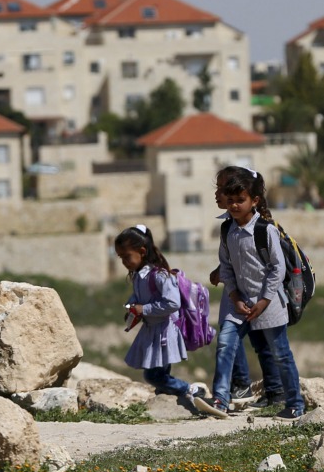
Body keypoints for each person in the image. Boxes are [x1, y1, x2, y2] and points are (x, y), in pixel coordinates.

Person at [196, 167, 305, 420]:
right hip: (239, 304)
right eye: (230, 200)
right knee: (225, 344)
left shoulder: (265, 231)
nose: (233, 205)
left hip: (269, 305)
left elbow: (277, 269)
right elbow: (226, 265)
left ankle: (294, 403)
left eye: (240, 200)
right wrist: (234, 296)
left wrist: (264, 301)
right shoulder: (227, 230)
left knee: (281, 354)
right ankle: (221, 400)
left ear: (254, 201)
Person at [208, 167, 282, 407]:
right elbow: (232, 255)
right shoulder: (228, 224)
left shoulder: (261, 227)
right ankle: (235, 388)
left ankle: (267, 390)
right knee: (231, 339)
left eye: (222, 188)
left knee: (264, 343)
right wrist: (224, 272)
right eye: (219, 189)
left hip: (260, 294)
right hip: (237, 292)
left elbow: (267, 262)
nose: (218, 194)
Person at [114, 224, 203, 400]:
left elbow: (172, 303)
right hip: (152, 330)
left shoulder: (160, 275)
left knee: (152, 376)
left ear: (142, 251)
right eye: (120, 258)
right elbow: (138, 296)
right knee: (159, 372)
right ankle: (168, 394)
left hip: (164, 330)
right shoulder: (139, 275)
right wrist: (132, 308)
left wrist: (144, 309)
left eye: (126, 256)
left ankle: (189, 390)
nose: (124, 262)